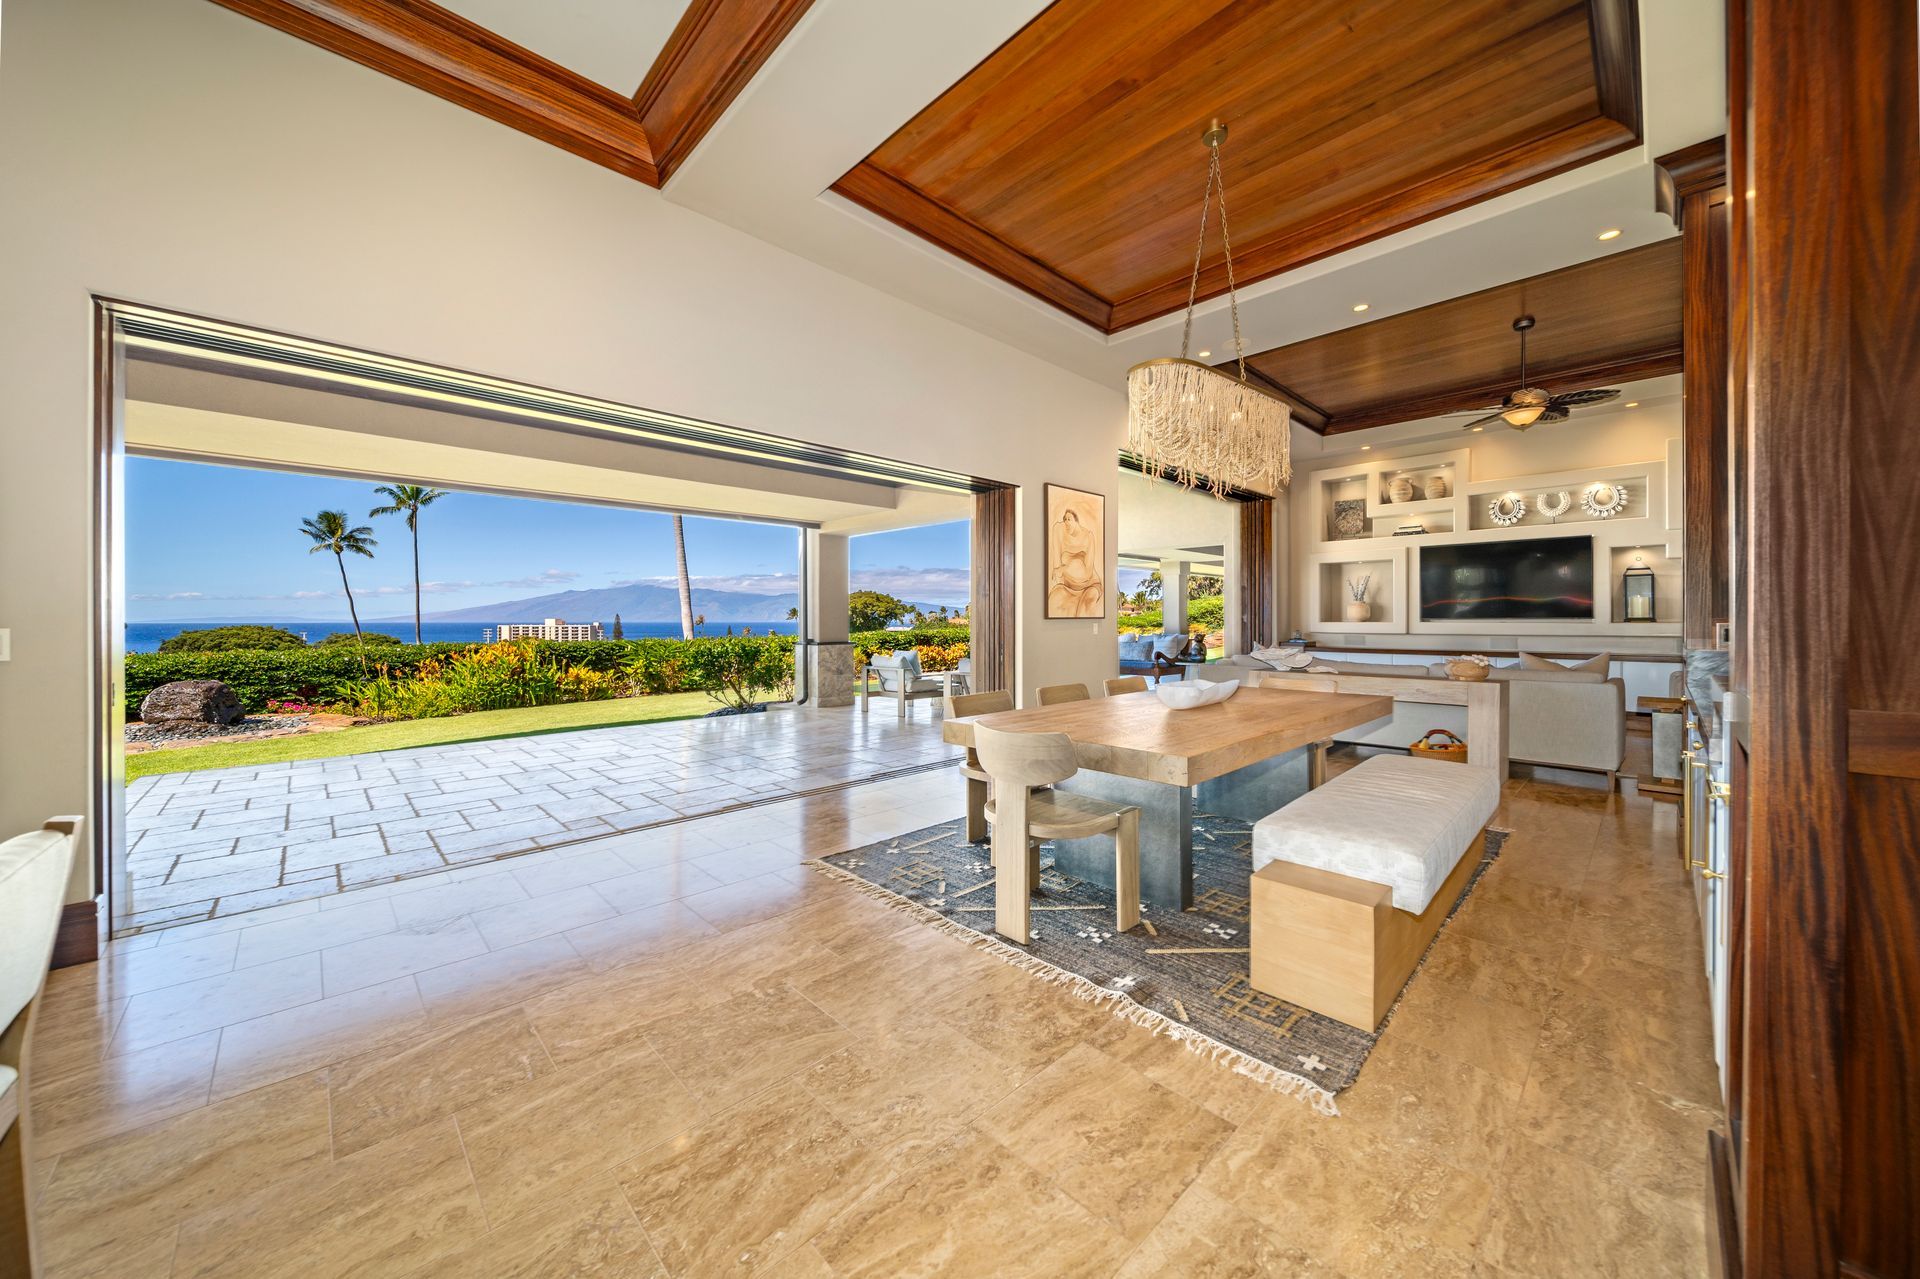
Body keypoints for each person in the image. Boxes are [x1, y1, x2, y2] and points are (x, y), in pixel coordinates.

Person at [1047, 507, 1102, 616]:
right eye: (1065, 519)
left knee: (1083, 610)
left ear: (1076, 521)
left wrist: (1064, 569)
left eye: (1069, 519)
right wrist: (1060, 571)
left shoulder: (1088, 536)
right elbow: (1057, 570)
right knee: (1053, 600)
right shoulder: (1058, 531)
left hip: (1089, 585)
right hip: (1068, 587)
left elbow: (1087, 573)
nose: (1066, 522)